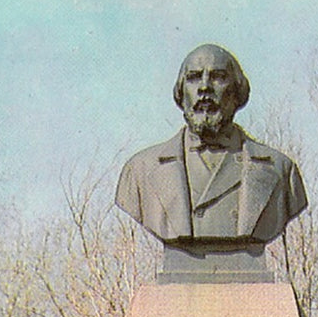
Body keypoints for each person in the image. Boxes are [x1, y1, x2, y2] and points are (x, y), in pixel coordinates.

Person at [115, 44, 307, 246]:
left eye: (218, 77)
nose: (204, 87)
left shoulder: (281, 170)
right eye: (194, 77)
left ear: (236, 91)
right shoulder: (140, 171)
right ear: (181, 92)